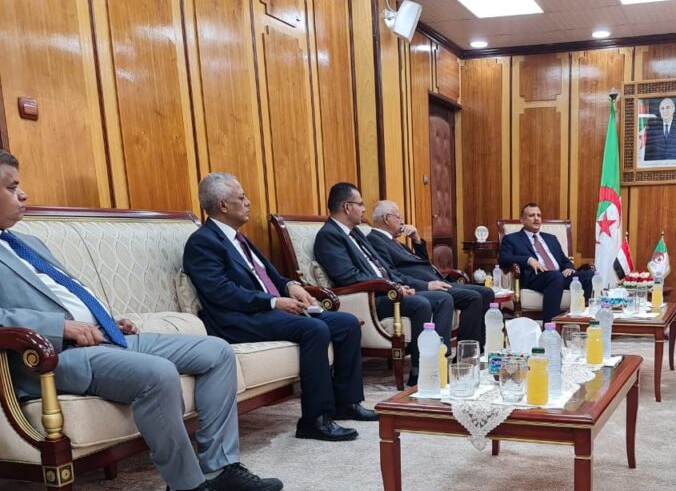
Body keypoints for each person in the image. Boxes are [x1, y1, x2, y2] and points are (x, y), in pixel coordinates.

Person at [0, 151, 282, 491]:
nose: (23, 194)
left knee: (216, 351)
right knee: (158, 373)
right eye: (12, 187)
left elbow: (67, 294)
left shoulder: (29, 243)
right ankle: (185, 490)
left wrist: (105, 319)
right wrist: (59, 327)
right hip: (51, 355)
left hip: (103, 336)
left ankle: (220, 468)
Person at [183, 172, 377, 443]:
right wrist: (273, 302)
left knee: (346, 323)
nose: (249, 202)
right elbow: (221, 292)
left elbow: (271, 277)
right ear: (223, 205)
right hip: (238, 319)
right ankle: (314, 420)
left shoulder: (240, 239)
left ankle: (346, 402)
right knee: (314, 329)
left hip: (266, 311)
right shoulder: (203, 242)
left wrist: (291, 286)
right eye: (242, 198)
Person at [314, 183, 454, 388]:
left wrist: (400, 284)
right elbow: (348, 277)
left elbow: (384, 267)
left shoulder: (356, 232)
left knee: (443, 299)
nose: (364, 209)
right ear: (347, 207)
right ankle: (419, 372)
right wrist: (390, 287)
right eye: (360, 204)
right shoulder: (329, 236)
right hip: (371, 298)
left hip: (388, 290)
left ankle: (436, 362)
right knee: (421, 304)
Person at [366, 200, 494, 348]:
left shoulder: (394, 241)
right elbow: (392, 274)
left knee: (486, 292)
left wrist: (416, 240)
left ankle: (481, 348)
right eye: (399, 217)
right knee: (473, 297)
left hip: (436, 280)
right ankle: (466, 351)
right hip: (423, 287)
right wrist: (426, 285)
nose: (402, 222)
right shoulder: (375, 240)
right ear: (387, 218)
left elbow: (422, 262)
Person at [499, 202, 594, 323]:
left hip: (560, 276)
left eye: (538, 215)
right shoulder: (512, 239)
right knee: (555, 277)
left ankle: (582, 321)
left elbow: (564, 260)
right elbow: (504, 259)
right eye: (531, 215)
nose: (536, 218)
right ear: (522, 220)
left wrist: (569, 267)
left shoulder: (551, 238)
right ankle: (550, 327)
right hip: (535, 277)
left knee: (590, 276)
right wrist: (528, 260)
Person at [643, 97, 676, 162]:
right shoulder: (653, 128)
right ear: (660, 111)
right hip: (657, 166)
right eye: (662, 108)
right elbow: (648, 152)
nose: (665, 111)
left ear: (673, 109)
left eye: (668, 107)